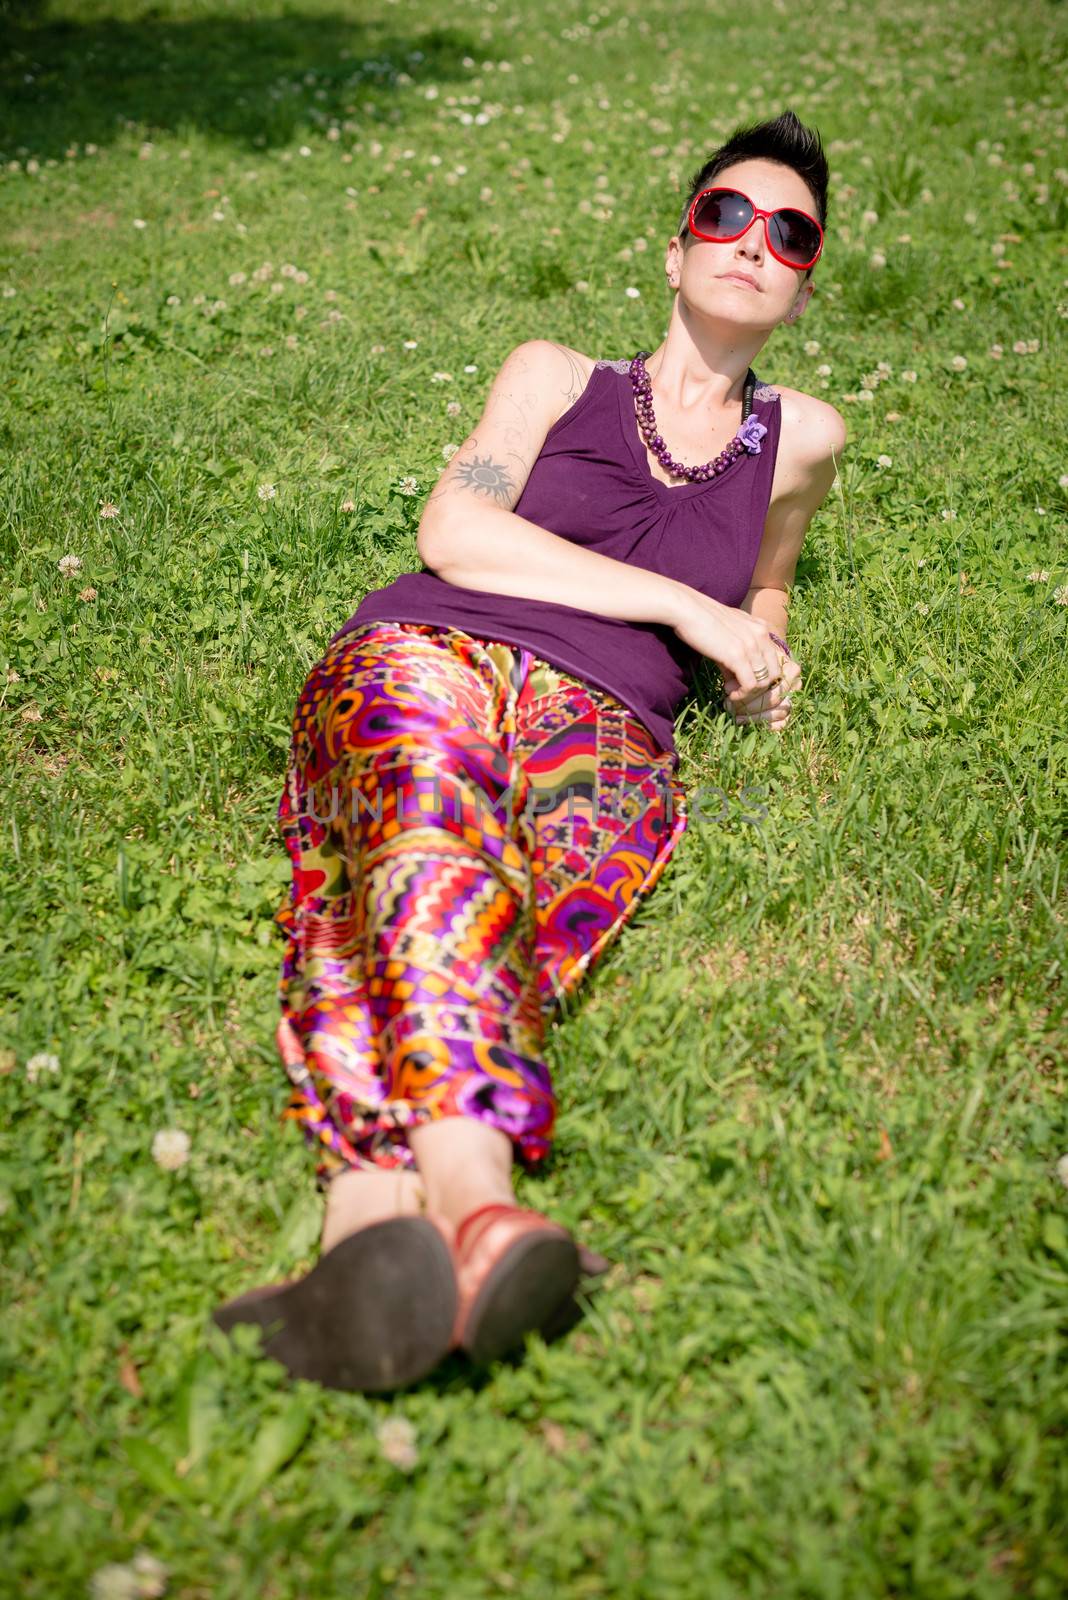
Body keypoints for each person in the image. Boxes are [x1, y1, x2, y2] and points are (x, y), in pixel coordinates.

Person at [213, 109, 847, 1393]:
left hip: (610, 724)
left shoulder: (807, 440)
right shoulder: (555, 373)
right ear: (672, 251)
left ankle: (372, 1225)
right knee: (430, 821)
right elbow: (456, 529)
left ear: (802, 281)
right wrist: (683, 607)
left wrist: (762, 653)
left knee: (472, 891)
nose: (752, 243)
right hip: (432, 645)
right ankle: (477, 1196)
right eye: (724, 214)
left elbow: (768, 587)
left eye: (790, 233)